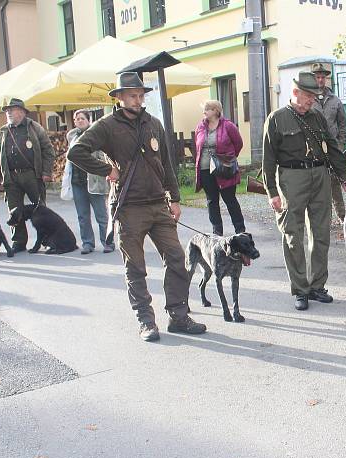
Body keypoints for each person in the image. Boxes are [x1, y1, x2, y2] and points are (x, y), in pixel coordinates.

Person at [67, 72, 206, 342]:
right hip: (128, 206)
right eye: (132, 95)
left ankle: (178, 316)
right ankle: (146, 320)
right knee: (136, 267)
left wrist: (174, 198)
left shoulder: (153, 123)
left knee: (177, 259)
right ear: (119, 98)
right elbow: (77, 151)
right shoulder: (107, 125)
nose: (138, 100)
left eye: (141, 95)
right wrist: (107, 168)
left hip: (158, 203)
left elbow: (166, 164)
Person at [263, 71, 346, 311]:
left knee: (321, 233)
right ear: (294, 93)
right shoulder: (277, 119)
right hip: (291, 179)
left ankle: (317, 286)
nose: (311, 101)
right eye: (307, 96)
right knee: (293, 235)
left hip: (320, 176)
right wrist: (272, 191)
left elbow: (332, 148)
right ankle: (300, 289)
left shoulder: (317, 117)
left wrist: (344, 177)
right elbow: (268, 159)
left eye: (314, 97)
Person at [0, 98, 55, 253]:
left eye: (11, 109)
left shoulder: (35, 127)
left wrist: (46, 172)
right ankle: (18, 242)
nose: (9, 113)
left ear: (22, 111)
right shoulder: (2, 131)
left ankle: (46, 239)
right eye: (7, 111)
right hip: (10, 177)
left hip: (32, 174)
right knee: (14, 209)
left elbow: (48, 150)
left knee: (41, 209)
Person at [193, 100, 245, 236]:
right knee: (212, 201)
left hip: (224, 168)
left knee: (230, 199)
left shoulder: (228, 126)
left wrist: (229, 158)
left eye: (207, 109)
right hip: (205, 169)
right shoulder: (200, 127)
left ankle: (240, 230)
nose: (204, 112)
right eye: (204, 109)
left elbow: (238, 143)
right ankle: (217, 232)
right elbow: (197, 147)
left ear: (216, 110)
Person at [65, 110, 113, 254]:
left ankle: (107, 242)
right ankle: (87, 243)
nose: (79, 121)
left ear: (88, 120)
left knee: (101, 215)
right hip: (77, 180)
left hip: (94, 179)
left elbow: (102, 155)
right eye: (77, 119)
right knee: (82, 215)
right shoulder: (71, 135)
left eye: (82, 119)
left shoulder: (96, 133)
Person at [310, 62, 346, 224]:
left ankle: (342, 217)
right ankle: (322, 218)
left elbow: (342, 125)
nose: (320, 80)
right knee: (317, 185)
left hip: (333, 149)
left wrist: (340, 145)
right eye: (317, 77)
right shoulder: (309, 99)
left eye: (323, 77)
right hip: (314, 150)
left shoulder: (335, 100)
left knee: (335, 183)